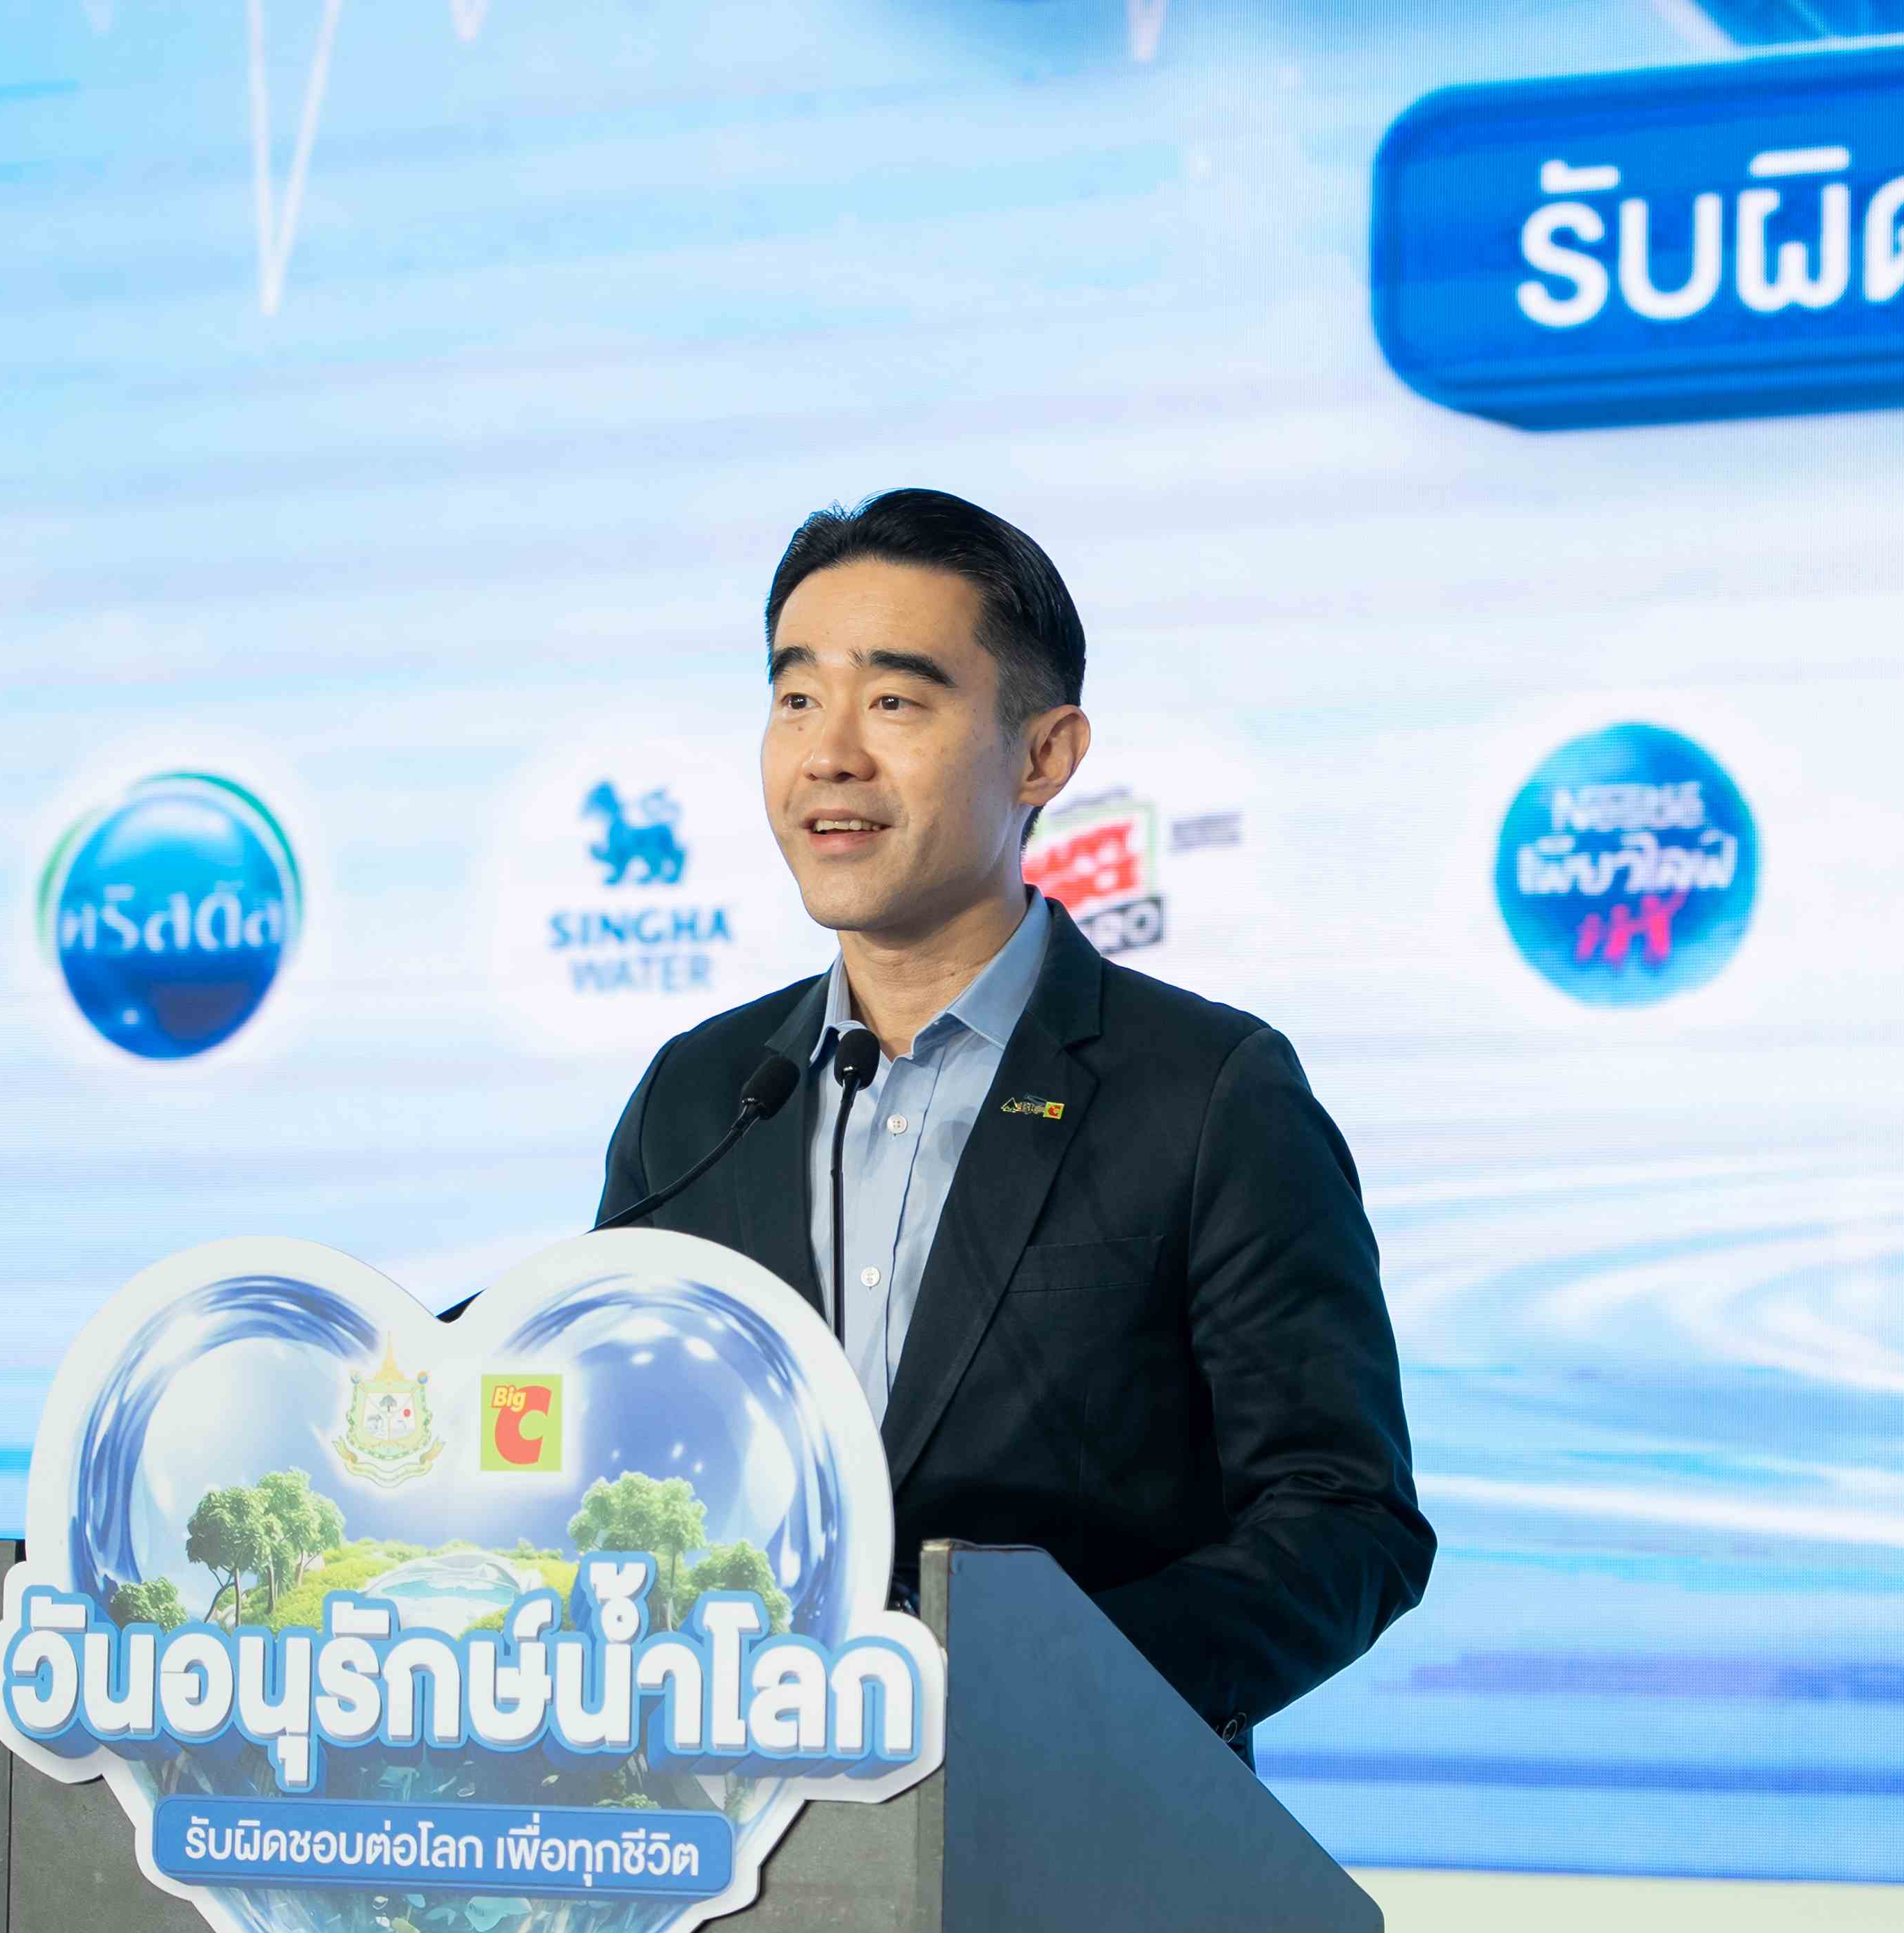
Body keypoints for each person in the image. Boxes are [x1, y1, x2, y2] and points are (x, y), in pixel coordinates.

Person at [593, 487, 1433, 1753]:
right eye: (796, 697)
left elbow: (1345, 1518)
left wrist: (1043, 1687)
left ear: (1043, 755)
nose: (829, 753)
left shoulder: (1210, 1092)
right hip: (725, 1819)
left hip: (1075, 1821)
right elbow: (605, 1460)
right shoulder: (703, 1094)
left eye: (894, 701)